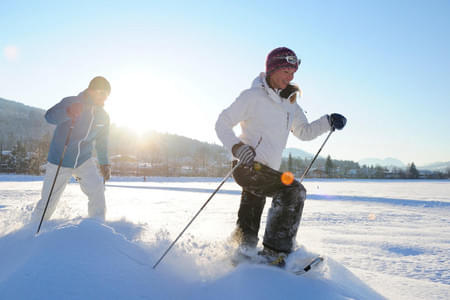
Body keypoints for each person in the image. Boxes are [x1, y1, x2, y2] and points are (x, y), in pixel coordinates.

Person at [215, 47, 346, 265]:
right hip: (248, 165)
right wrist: (237, 147)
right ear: (273, 69)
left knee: (252, 208)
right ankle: (275, 253)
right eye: (286, 70)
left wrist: (328, 121)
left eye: (293, 72)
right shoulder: (252, 97)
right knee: (293, 191)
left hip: (267, 170)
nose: (291, 76)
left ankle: (240, 251)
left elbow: (304, 132)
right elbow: (222, 122)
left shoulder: (290, 104)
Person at [31, 76, 112, 224]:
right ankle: (32, 230)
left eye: (107, 94)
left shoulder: (103, 116)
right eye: (101, 93)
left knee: (97, 192)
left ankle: (97, 227)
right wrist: (68, 111)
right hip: (60, 159)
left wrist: (104, 163)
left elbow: (102, 141)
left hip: (83, 160)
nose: (104, 98)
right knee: (49, 200)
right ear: (91, 90)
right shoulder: (72, 101)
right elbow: (49, 117)